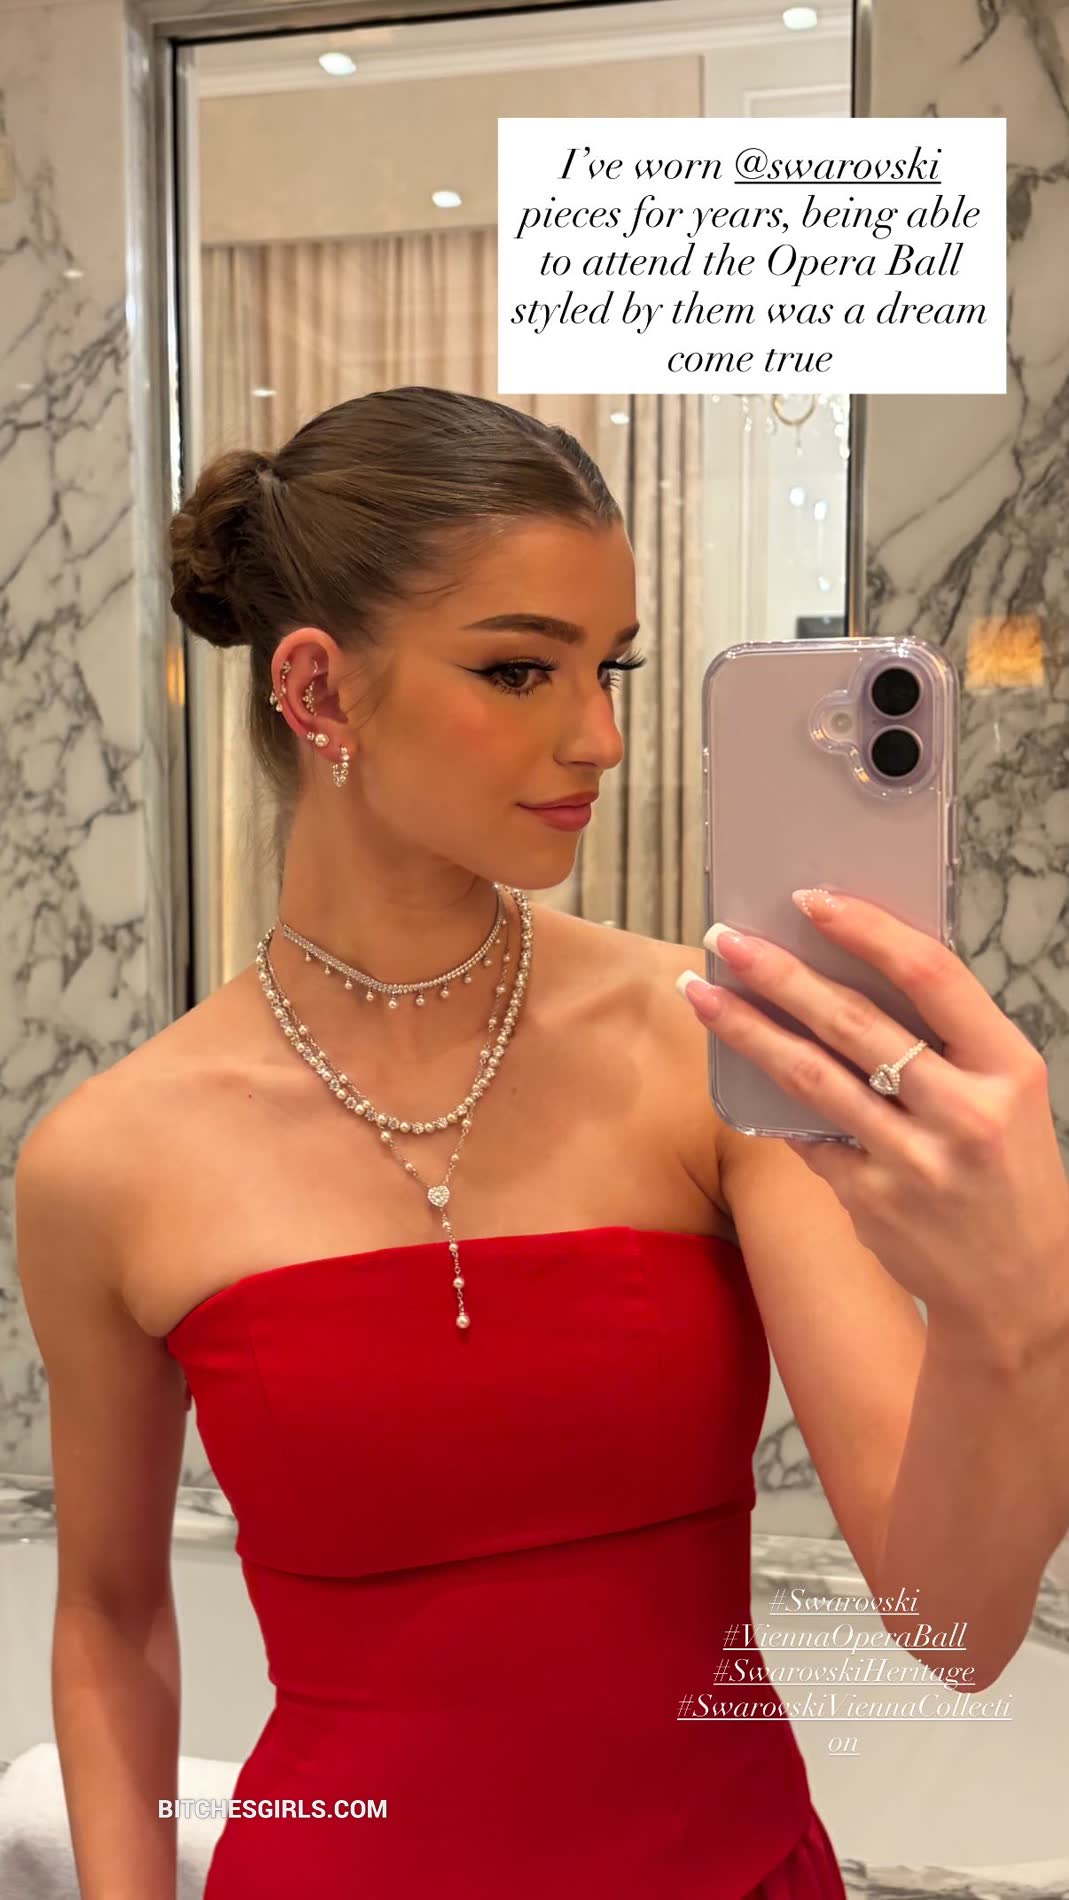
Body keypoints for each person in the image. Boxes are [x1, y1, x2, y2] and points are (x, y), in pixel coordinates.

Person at [15, 386, 860, 1898]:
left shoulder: (708, 1040)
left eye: (611, 668)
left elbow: (945, 1584)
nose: (601, 738)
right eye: (521, 669)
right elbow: (112, 1621)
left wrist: (1007, 1246)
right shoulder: (109, 1162)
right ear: (317, 692)